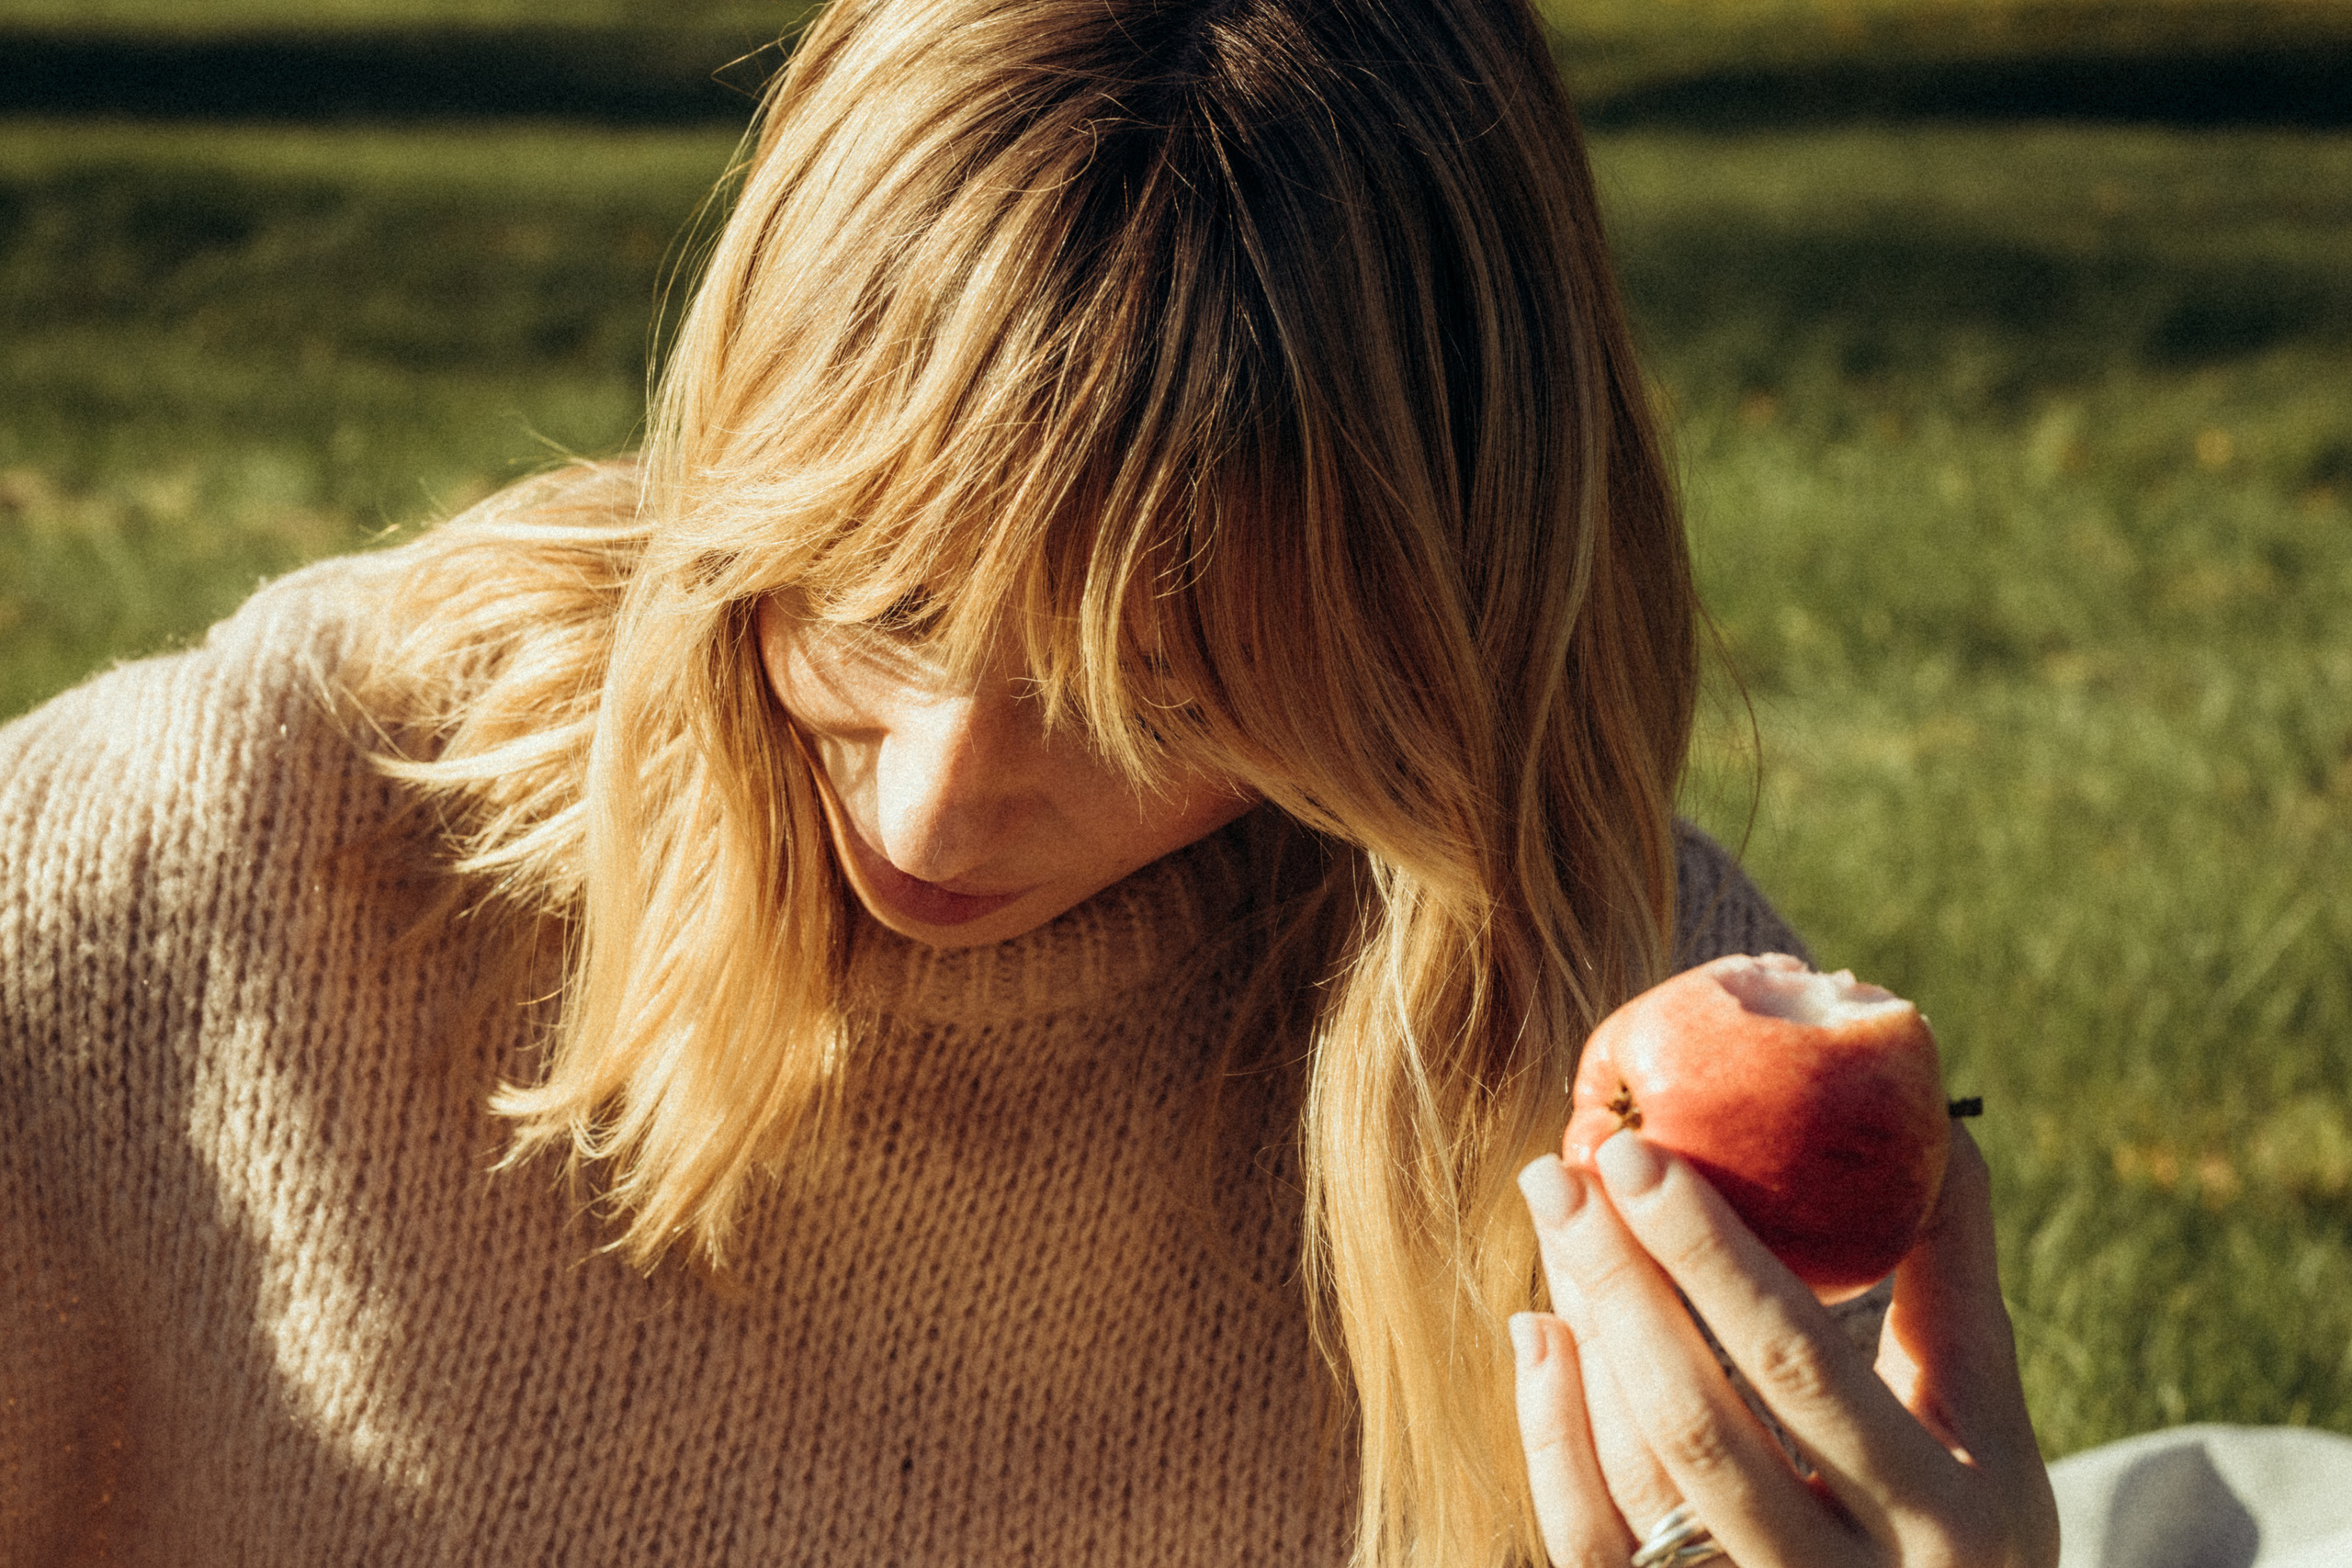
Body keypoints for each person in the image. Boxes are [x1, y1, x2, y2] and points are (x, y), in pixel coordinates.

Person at [0, 0, 2060, 1561]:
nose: (932, 813)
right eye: (872, 597)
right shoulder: (244, 838)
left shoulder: (1610, 1055)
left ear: (1419, 644)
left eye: (1161, 694)